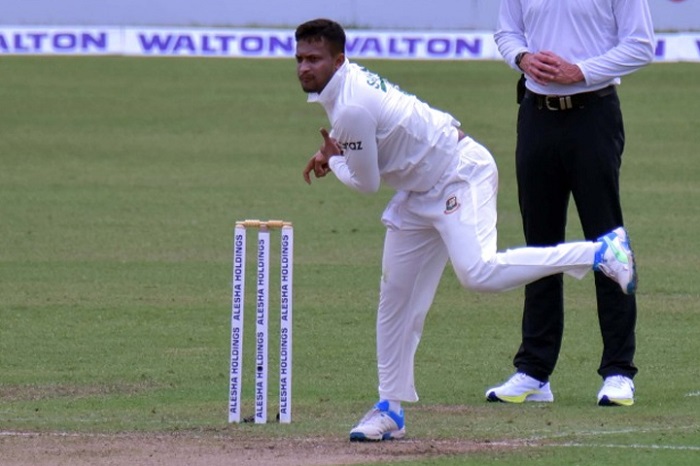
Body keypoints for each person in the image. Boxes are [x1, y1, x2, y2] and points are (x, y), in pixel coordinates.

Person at [294, 18, 636, 441]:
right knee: (396, 297)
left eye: (314, 59)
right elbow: (364, 143)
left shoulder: (351, 105)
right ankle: (390, 409)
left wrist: (335, 159)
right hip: (418, 189)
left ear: (338, 60)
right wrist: (338, 152)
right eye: (300, 59)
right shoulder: (345, 91)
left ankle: (600, 252)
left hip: (459, 173)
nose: (304, 67)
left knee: (477, 273)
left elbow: (366, 183)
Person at [486, 1, 654, 407]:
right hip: (536, 116)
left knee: (608, 243)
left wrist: (581, 71)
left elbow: (641, 44)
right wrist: (522, 58)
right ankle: (534, 371)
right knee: (539, 245)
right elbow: (507, 31)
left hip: (593, 114)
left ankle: (618, 371)